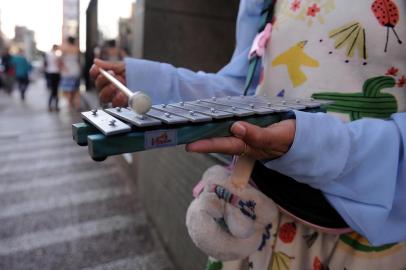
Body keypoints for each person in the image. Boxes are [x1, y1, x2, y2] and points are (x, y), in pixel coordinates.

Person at [90, 0, 406, 268]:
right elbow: (245, 87)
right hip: (253, 226)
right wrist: (151, 80)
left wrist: (318, 147)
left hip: (361, 243)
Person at [60, 36, 81, 111]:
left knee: (68, 89)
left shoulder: (64, 49)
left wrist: (64, 69)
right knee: (76, 89)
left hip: (67, 71)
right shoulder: (77, 49)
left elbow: (61, 60)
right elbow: (79, 61)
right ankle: (77, 104)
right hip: (76, 69)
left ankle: (69, 106)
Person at [44, 45, 61, 112]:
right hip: (55, 73)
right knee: (55, 91)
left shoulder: (48, 55)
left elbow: (45, 64)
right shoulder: (55, 55)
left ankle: (51, 106)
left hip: (50, 73)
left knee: (53, 90)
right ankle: (55, 106)